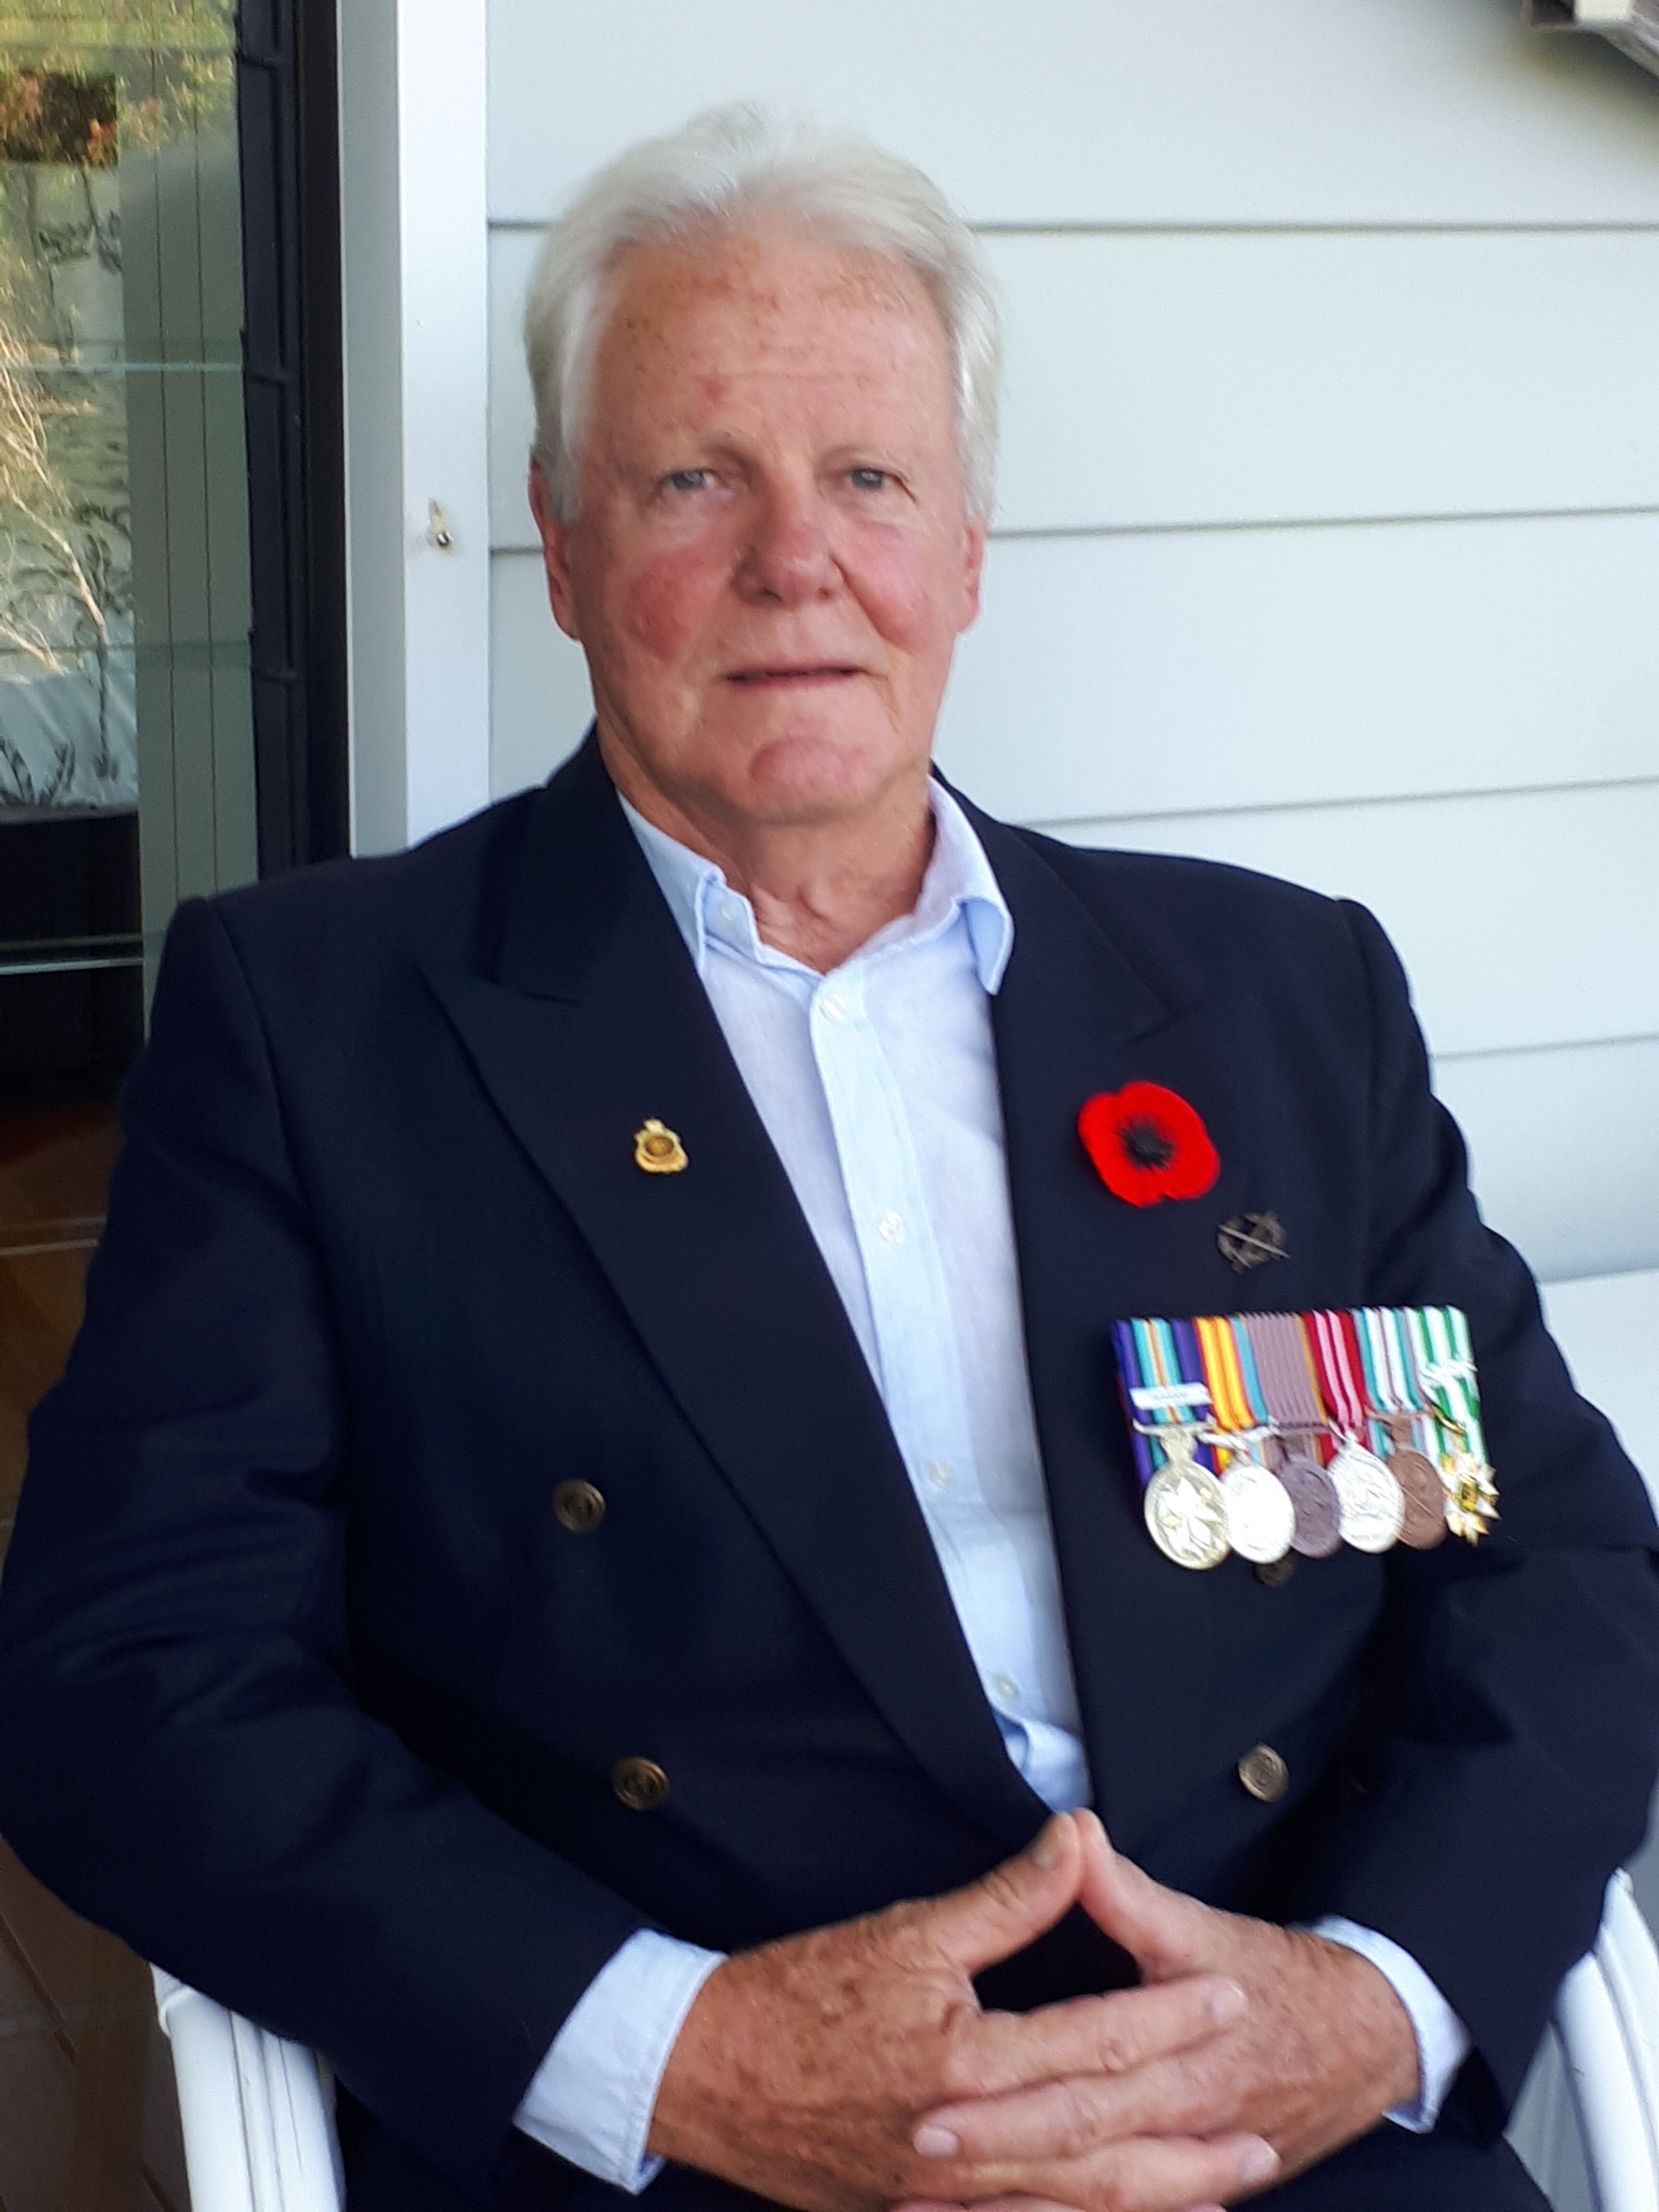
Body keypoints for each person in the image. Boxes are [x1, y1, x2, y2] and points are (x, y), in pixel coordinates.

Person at [0, 102, 1655, 2212]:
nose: (800, 560)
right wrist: (675, 2056)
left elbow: (1550, 1560)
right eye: (699, 477)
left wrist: (1380, 2004)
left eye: (870, 478)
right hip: (694, 2141)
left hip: (1261, 2112)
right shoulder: (320, 1022)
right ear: (567, 541)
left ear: (965, 550)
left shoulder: (1275, 1000)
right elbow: (127, 1677)